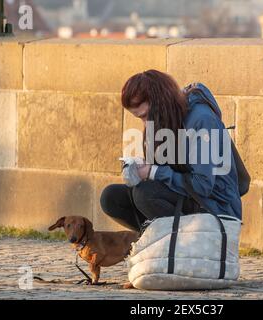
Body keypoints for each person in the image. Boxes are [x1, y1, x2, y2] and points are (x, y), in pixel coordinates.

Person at [100, 70, 241, 232]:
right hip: (188, 196)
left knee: (145, 195)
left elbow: (202, 185)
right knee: (111, 198)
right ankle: (160, 243)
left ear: (161, 103)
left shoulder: (202, 119)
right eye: (140, 118)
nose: (146, 123)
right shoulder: (168, 117)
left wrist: (153, 172)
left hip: (216, 206)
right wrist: (142, 168)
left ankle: (183, 247)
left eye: (146, 115)